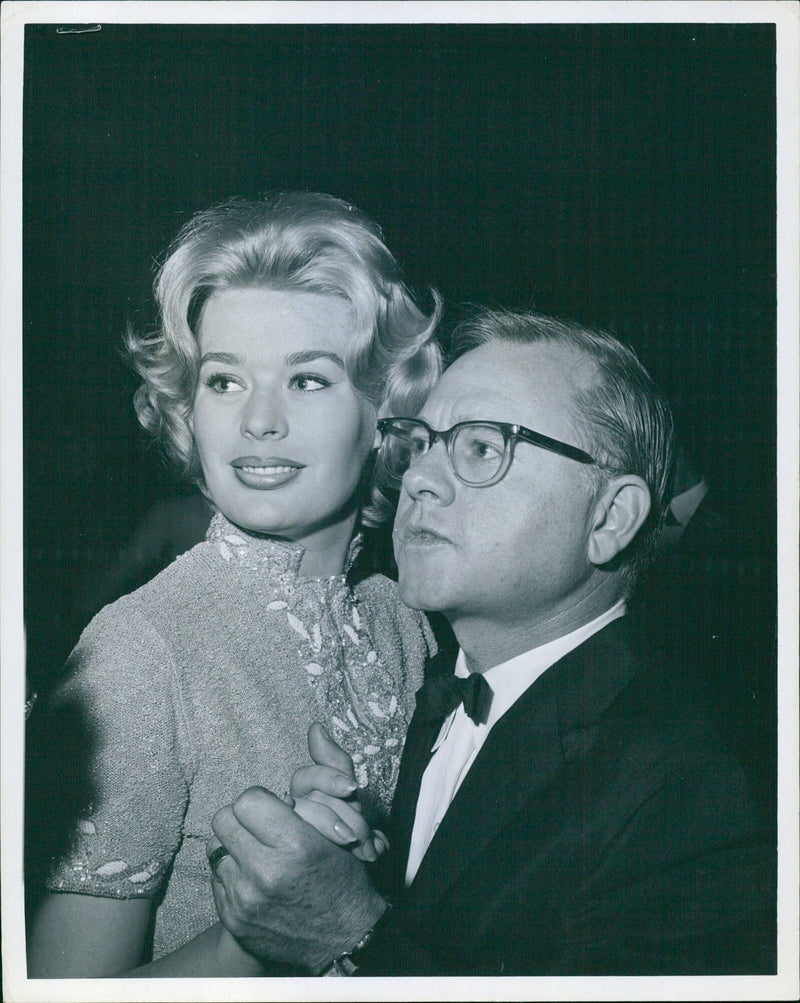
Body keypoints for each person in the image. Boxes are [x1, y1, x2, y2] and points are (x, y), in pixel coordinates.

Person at [207, 308, 775, 976]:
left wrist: (350, 930)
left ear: (610, 517)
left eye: (481, 446)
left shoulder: (690, 794)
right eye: (420, 443)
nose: (416, 477)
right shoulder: (439, 691)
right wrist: (350, 867)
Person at [26, 192, 442, 977]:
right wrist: (253, 933)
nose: (258, 421)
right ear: (188, 406)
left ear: (384, 409)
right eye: (224, 381)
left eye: (308, 381)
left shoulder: (407, 617)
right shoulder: (140, 651)